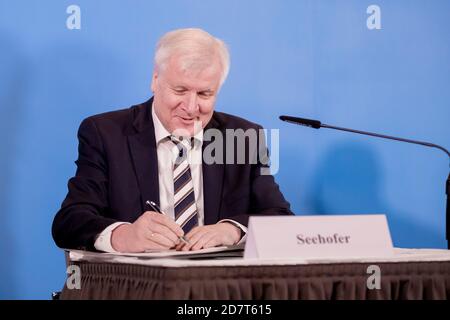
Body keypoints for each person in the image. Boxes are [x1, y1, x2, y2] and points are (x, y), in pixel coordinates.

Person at [52, 28, 292, 253]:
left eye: (204, 94)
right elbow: (70, 221)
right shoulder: (106, 133)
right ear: (155, 80)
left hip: (217, 285)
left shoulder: (241, 138)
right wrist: (124, 236)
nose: (190, 107)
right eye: (180, 90)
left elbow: (281, 219)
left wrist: (232, 230)